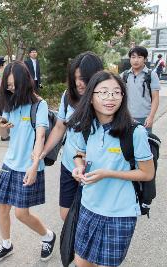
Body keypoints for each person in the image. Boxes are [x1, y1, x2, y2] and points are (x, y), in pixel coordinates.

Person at [68, 71, 154, 267]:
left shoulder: (135, 132)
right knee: (81, 262)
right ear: (91, 98)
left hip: (119, 213)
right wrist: (79, 168)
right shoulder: (88, 126)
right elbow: (79, 153)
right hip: (88, 206)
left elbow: (147, 173)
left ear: (123, 97)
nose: (110, 98)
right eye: (103, 92)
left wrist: (107, 173)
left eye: (116, 92)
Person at [0, 61, 56, 263]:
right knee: (2, 207)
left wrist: (34, 165)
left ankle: (48, 236)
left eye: (13, 85)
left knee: (21, 213)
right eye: (7, 86)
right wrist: (2, 125)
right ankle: (6, 244)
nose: (10, 89)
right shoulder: (11, 102)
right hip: (10, 163)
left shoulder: (39, 105)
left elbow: (41, 137)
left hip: (28, 165)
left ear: (24, 81)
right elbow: (3, 134)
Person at [39, 51, 103, 221]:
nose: (78, 83)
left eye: (83, 78)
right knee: (66, 215)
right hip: (69, 165)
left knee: (88, 217)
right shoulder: (68, 96)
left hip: (94, 169)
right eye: (75, 78)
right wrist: (43, 152)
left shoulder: (105, 101)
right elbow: (60, 126)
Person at [121, 46, 160, 132]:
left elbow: (155, 98)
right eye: (133, 57)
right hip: (127, 117)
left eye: (139, 57)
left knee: (145, 143)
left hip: (145, 118)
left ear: (145, 59)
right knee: (127, 144)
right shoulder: (124, 75)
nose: (136, 60)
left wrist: (151, 117)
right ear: (130, 59)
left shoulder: (151, 75)